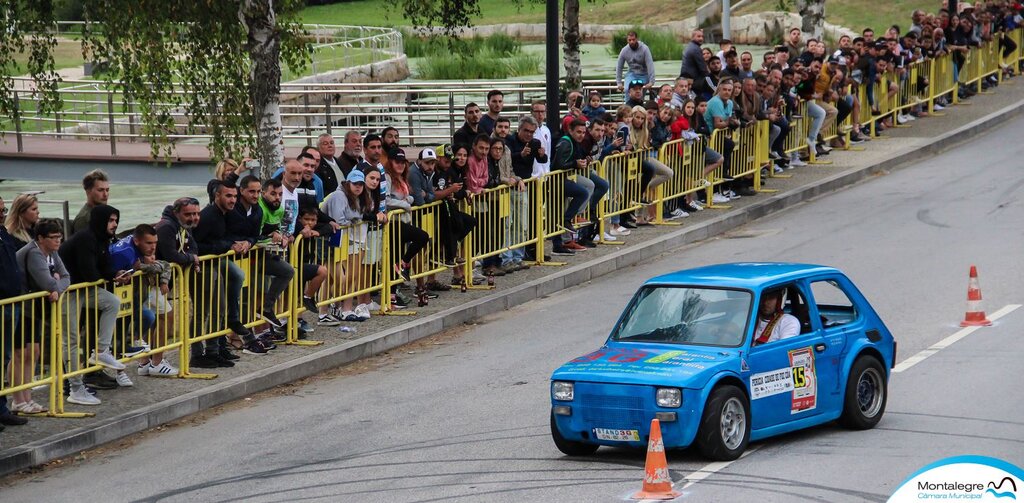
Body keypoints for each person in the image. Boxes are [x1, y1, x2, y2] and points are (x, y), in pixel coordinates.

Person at [58, 204, 130, 405]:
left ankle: (100, 352)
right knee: (71, 340)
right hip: (68, 291)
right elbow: (90, 272)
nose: (114, 224)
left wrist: (116, 275)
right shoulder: (86, 238)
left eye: (116, 220)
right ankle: (75, 388)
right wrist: (109, 276)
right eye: (110, 220)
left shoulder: (102, 239)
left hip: (83, 288)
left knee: (112, 302)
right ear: (100, 221)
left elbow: (103, 268)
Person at [11, 219, 68, 413]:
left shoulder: (52, 252)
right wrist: (56, 283)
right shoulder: (34, 252)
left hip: (33, 309)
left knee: (34, 352)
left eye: (60, 237)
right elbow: (48, 283)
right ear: (41, 238)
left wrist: (57, 286)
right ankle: (18, 399)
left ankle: (28, 397)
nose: (58, 241)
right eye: (53, 238)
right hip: (21, 306)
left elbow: (66, 277)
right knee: (19, 354)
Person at [0, 196, 31, 426]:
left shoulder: (4, 234)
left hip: (13, 302)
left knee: (5, 357)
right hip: (3, 303)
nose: (2, 214)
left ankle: (2, 408)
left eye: (3, 210)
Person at [616, 31, 656, 97]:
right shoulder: (624, 50)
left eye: (633, 40)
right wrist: (619, 83)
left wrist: (651, 82)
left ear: (637, 39)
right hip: (631, 73)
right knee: (627, 90)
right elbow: (619, 67)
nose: (631, 42)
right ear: (627, 40)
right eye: (629, 40)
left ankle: (640, 105)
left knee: (640, 93)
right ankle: (629, 106)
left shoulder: (645, 49)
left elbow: (650, 65)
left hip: (644, 74)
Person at [72, 169, 110, 234]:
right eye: (100, 190)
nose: (105, 194)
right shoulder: (84, 219)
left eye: (107, 190)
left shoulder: (102, 213)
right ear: (88, 191)